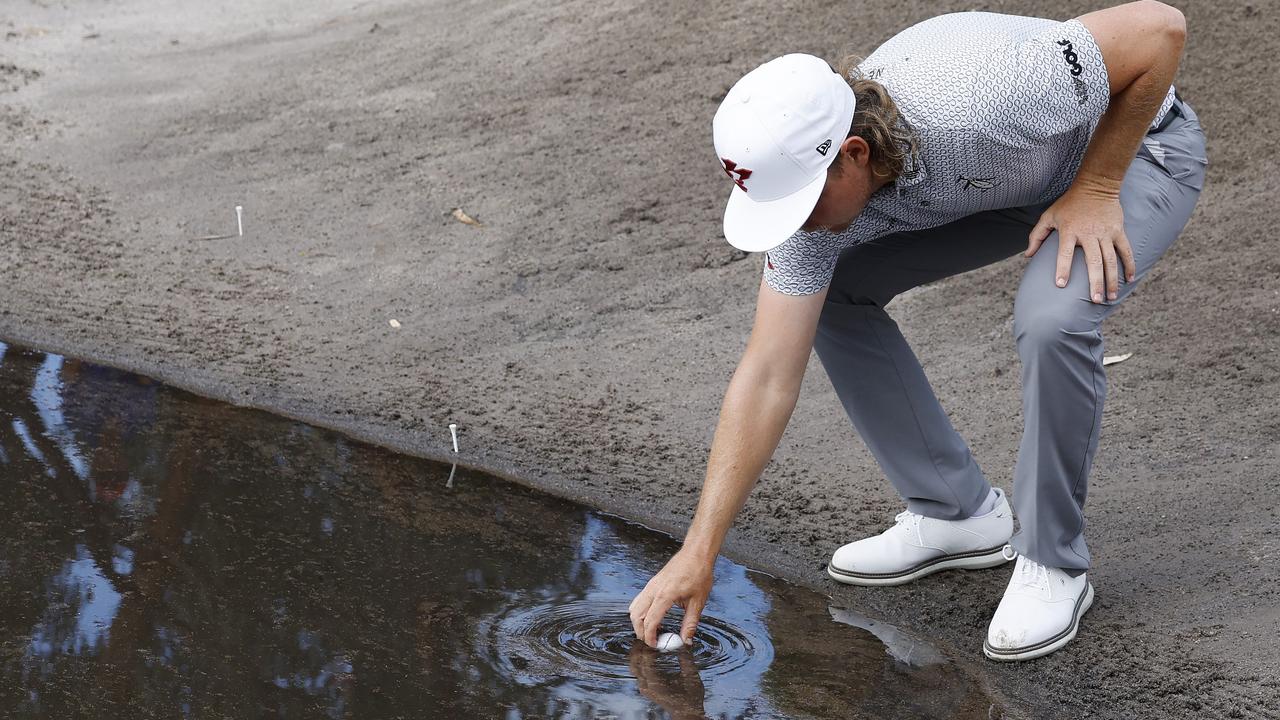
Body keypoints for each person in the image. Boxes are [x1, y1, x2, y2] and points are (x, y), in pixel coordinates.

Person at [629, 1, 1205, 662]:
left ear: (852, 154)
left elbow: (1160, 30)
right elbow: (766, 374)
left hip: (1133, 156)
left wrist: (1099, 185)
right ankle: (957, 513)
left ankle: (1054, 564)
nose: (799, 225)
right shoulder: (816, 206)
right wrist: (698, 550)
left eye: (804, 204)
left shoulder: (982, 95)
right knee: (835, 295)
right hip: (1016, 181)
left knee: (1051, 319)